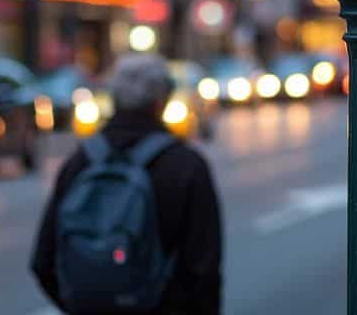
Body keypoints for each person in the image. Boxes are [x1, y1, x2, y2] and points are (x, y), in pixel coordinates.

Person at [31, 53, 222, 314]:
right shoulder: (186, 166)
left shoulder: (80, 163)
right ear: (161, 101)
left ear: (113, 99)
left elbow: (43, 262)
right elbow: (204, 269)